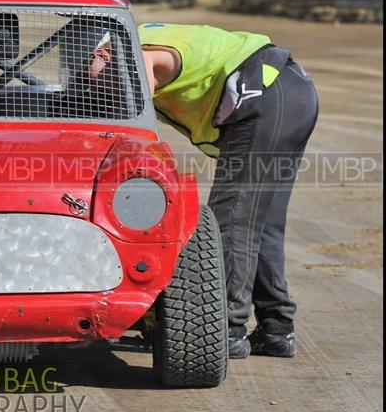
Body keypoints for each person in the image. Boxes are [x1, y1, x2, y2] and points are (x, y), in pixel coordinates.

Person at [90, 22, 319, 359]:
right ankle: (276, 328)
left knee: (230, 220)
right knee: (261, 222)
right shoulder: (139, 36)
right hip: (291, 90)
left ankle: (226, 328)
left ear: (102, 54)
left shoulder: (133, 54)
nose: (92, 82)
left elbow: (135, 116)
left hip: (263, 90)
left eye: (89, 71)